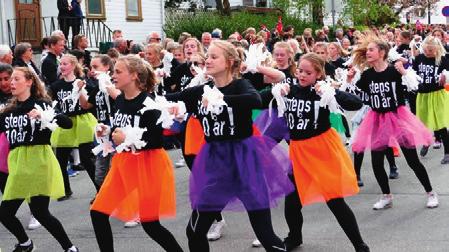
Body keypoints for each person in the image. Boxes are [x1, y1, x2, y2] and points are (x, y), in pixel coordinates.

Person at [167, 40, 293, 252]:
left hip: (245, 163)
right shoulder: (201, 91)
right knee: (195, 231)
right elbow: (169, 99)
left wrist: (221, 98)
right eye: (207, 56)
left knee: (264, 233)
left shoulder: (240, 85)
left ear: (230, 62)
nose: (208, 60)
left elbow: (254, 99)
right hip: (216, 165)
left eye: (214, 57)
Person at [261, 52, 370, 252]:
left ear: (318, 74)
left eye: (308, 72)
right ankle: (294, 237)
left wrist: (331, 92)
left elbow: (355, 103)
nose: (301, 75)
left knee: (335, 201)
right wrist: (275, 91)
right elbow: (257, 101)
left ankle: (360, 245)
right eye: (300, 70)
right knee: (292, 202)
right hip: (299, 152)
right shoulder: (290, 90)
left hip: (321, 151)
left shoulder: (322, 91)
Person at [90, 55, 183, 252]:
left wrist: (126, 139)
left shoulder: (150, 103)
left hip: (149, 165)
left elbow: (157, 140)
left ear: (134, 75)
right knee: (98, 213)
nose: (113, 75)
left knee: (151, 225)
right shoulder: (121, 99)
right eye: (113, 71)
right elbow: (120, 127)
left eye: (118, 71)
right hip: (124, 164)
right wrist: (106, 131)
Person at [349, 37, 438, 210]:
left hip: (398, 117)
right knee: (376, 161)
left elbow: (414, 86)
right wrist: (349, 79)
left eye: (371, 49)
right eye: (367, 50)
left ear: (382, 53)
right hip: (376, 118)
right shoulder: (367, 75)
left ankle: (431, 192)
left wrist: (404, 72)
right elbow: (353, 95)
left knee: (412, 160)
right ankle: (386, 196)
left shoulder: (394, 71)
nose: (367, 52)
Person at [0, 67, 79, 252]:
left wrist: (44, 116)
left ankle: (69, 248)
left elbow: (67, 123)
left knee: (40, 212)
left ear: (29, 81)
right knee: (5, 213)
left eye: (16, 79)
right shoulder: (9, 111)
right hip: (17, 164)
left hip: (39, 161)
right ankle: (26, 243)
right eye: (10, 80)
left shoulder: (42, 104)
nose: (11, 83)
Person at [49, 54, 98, 201]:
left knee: (86, 158)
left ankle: (100, 189)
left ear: (73, 65)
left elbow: (92, 100)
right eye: (60, 64)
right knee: (61, 158)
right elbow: (52, 104)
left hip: (82, 120)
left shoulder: (82, 83)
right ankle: (66, 189)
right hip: (66, 122)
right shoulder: (56, 86)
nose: (62, 66)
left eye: (65, 64)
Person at [413, 36, 449, 164]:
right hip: (423, 95)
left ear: (437, 49)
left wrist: (445, 77)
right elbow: (413, 73)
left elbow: (448, 74)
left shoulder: (443, 60)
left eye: (431, 51)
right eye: (426, 50)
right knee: (423, 123)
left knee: (440, 125)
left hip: (437, 94)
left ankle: (447, 152)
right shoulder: (419, 58)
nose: (428, 53)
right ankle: (427, 141)